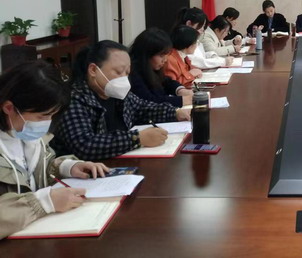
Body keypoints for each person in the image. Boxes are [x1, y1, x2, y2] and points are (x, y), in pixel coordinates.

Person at [0, 61, 109, 239]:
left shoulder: (23, 133)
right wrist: (43, 203)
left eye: (52, 115)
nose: (47, 122)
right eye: (42, 116)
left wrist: (65, 167)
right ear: (9, 108)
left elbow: (30, 171)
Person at [51, 40, 190, 161]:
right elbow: (85, 145)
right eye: (118, 72)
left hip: (120, 162)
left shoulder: (115, 92)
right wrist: (137, 138)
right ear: (93, 70)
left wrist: (175, 113)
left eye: (127, 73)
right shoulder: (74, 99)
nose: (124, 78)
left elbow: (143, 108)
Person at [129, 28, 194, 108]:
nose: (165, 60)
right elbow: (149, 101)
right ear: (147, 54)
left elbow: (166, 81)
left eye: (166, 55)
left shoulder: (152, 68)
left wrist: (180, 90)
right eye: (161, 55)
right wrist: (182, 100)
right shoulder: (133, 73)